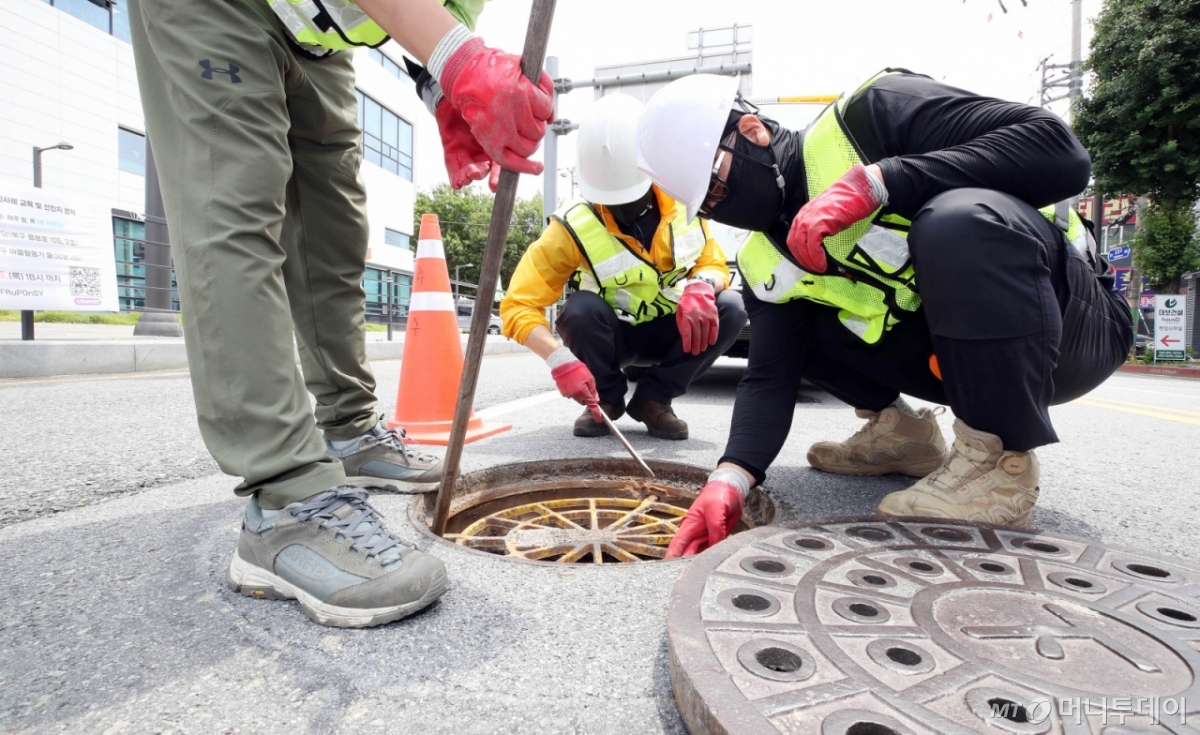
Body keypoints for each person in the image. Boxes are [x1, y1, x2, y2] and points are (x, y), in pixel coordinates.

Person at [125, 0, 554, 626]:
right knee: (236, 214)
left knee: (334, 231)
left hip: (317, 36)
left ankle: (348, 430)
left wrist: (441, 83)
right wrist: (457, 58)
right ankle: (284, 502)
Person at [631, 72, 1132, 557]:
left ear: (752, 131)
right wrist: (732, 477)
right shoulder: (764, 259)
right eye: (708, 205)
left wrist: (886, 181)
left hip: (1071, 321)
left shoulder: (874, 116)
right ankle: (903, 435)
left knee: (955, 220)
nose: (723, 206)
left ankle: (999, 466)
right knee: (798, 328)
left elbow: (1060, 153)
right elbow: (768, 378)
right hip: (961, 364)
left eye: (718, 184)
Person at [500, 94, 746, 439]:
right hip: (613, 336)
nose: (623, 212)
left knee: (731, 307)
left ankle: (653, 399)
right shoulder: (571, 227)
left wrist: (703, 285)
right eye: (611, 202)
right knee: (579, 310)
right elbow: (518, 305)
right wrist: (557, 359)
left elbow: (712, 262)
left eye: (633, 200)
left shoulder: (684, 203)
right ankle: (607, 400)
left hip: (673, 330)